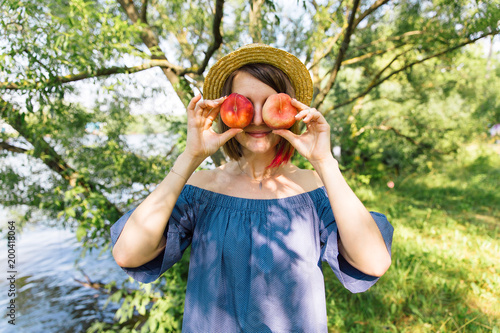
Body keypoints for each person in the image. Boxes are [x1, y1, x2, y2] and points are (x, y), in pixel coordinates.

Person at [110, 44, 394, 332]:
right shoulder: (200, 189)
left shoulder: (315, 189)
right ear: (224, 110)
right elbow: (128, 253)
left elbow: (374, 262)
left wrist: (324, 162)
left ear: (293, 111)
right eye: (245, 103)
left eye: (271, 104)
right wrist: (190, 157)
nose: (258, 118)